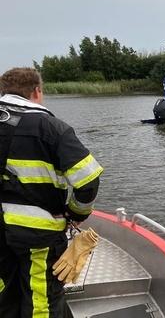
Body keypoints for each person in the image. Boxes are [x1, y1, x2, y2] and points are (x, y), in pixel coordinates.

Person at [0, 67, 103, 317]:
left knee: (6, 291)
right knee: (41, 300)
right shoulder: (51, 128)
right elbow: (88, 180)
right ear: (37, 91)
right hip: (37, 237)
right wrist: (76, 214)